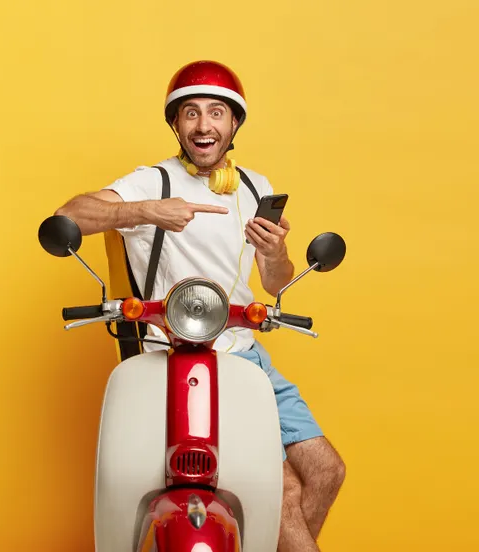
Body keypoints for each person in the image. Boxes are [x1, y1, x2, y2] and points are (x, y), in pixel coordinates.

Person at [54, 60, 345, 551]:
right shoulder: (153, 181)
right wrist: (145, 211)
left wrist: (275, 252)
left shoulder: (254, 186)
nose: (203, 125)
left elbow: (275, 281)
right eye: (190, 113)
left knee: (325, 471)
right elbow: (70, 213)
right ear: (176, 124)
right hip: (176, 357)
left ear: (234, 124)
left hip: (246, 356)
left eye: (216, 112)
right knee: (284, 493)